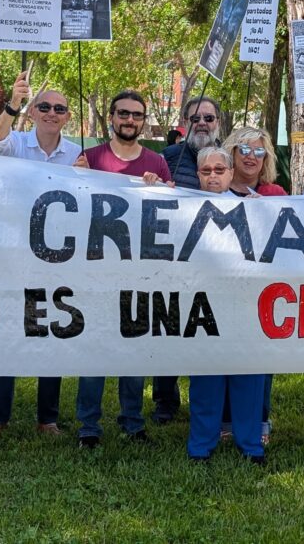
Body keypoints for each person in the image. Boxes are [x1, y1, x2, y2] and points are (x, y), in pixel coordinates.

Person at [0, 71, 81, 440]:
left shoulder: (76, 155)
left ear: (68, 117)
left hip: (57, 257)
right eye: (45, 106)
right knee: (6, 330)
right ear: (33, 112)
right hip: (11, 253)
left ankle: (47, 418)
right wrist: (12, 105)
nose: (52, 113)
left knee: (52, 330)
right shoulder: (16, 141)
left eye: (59, 109)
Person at [73, 90, 171, 447]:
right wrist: (75, 178)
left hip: (139, 272)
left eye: (137, 115)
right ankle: (89, 426)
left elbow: (168, 214)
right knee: (94, 350)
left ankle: (133, 422)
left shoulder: (156, 162)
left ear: (143, 121)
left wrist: (163, 189)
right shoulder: (89, 157)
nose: (130, 120)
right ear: (111, 117)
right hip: (96, 271)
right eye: (124, 114)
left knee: (134, 349)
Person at [186, 146, 266, 464]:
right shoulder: (181, 205)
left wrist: (264, 213)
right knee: (206, 377)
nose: (213, 176)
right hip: (201, 304)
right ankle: (201, 445)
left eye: (220, 170)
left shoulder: (254, 208)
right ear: (198, 175)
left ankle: (251, 445)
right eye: (206, 171)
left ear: (231, 174)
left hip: (244, 303)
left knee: (248, 375)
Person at [155, 97, 221, 421]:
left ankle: (206, 400)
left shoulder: (227, 155)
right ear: (185, 122)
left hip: (216, 262)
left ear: (218, 122)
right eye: (195, 118)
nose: (202, 123)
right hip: (173, 260)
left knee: (209, 330)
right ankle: (165, 401)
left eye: (209, 117)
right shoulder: (167, 157)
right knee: (168, 328)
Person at [219, 126, 286, 444]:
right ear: (231, 152)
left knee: (261, 358)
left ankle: (259, 421)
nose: (251, 157)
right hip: (222, 288)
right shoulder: (213, 190)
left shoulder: (276, 194)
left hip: (262, 291)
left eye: (259, 151)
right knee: (223, 353)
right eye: (244, 149)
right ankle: (225, 421)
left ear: (267, 158)